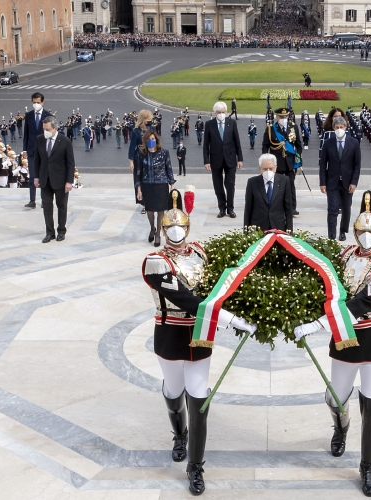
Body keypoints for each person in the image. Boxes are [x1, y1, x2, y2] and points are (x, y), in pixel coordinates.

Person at [142, 190, 255, 496]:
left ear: (189, 227)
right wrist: (231, 319)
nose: (175, 232)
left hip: (200, 334)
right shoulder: (155, 261)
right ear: (163, 230)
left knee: (199, 396)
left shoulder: (201, 254)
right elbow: (184, 298)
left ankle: (195, 466)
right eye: (170, 228)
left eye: (180, 227)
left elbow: (222, 286)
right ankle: (180, 434)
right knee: (174, 389)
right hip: (170, 332)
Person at [294, 191, 371, 498]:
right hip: (344, 338)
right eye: (361, 231)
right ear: (354, 232)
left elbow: (365, 302)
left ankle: (368, 467)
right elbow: (326, 291)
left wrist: (317, 325)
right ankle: (341, 427)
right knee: (336, 397)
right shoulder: (343, 258)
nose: (366, 237)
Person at [33, 117, 75, 243]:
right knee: (46, 206)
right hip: (45, 179)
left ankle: (61, 231)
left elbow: (70, 163)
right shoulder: (40, 139)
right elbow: (37, 160)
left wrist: (69, 181)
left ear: (55, 128)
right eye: (44, 129)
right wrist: (36, 177)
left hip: (60, 180)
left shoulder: (65, 141)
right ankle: (49, 232)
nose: (45, 131)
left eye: (48, 129)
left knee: (61, 206)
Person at [319, 116, 361, 241]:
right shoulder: (328, 143)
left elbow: (357, 165)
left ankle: (343, 231)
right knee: (332, 209)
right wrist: (322, 182)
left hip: (348, 182)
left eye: (341, 127)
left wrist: (354, 182)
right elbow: (322, 164)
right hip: (332, 182)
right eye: (336, 127)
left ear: (345, 128)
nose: (339, 129)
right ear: (333, 128)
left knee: (346, 208)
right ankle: (331, 235)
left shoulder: (354, 143)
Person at [203, 101, 243, 218]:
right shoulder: (209, 124)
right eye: (219, 112)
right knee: (218, 185)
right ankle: (222, 208)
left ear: (226, 112)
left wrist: (239, 159)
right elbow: (206, 144)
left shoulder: (232, 123)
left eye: (223, 112)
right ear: (215, 113)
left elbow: (237, 142)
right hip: (215, 159)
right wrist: (206, 161)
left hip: (230, 158)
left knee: (230, 184)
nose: (221, 114)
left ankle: (230, 208)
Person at [135, 130, 175, 246]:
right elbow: (138, 173)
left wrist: (172, 185)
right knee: (150, 211)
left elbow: (169, 168)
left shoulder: (164, 153)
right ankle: (152, 228)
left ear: (156, 140)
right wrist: (138, 189)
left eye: (153, 139)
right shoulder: (142, 154)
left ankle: (158, 234)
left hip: (161, 185)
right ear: (145, 141)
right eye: (149, 139)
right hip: (147, 185)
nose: (151, 141)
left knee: (160, 210)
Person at [262, 107, 302, 216]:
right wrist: (266, 160)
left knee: (290, 185)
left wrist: (298, 158)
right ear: (277, 117)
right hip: (276, 163)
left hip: (290, 162)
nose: (283, 118)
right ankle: (277, 207)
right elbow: (265, 146)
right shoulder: (270, 129)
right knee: (276, 186)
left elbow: (298, 145)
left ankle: (292, 208)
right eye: (281, 117)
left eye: (285, 116)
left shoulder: (293, 127)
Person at [243, 154, 293, 231]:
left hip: (278, 227)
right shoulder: (252, 182)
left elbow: (288, 208)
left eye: (271, 168)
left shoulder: (284, 181)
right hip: (258, 228)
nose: (268, 171)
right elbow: (248, 208)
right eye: (265, 169)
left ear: (276, 168)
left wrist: (289, 230)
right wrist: (246, 231)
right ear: (260, 169)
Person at [23, 93, 52, 209]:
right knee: (32, 176)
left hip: (44, 151)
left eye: (38, 102)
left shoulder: (48, 116)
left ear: (42, 102)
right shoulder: (29, 115)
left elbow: (50, 135)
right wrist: (24, 149)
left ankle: (45, 200)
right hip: (31, 150)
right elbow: (26, 134)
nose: (36, 104)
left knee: (44, 177)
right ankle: (32, 200)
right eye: (34, 102)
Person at [129, 109, 153, 214]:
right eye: (148, 119)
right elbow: (131, 147)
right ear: (143, 120)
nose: (150, 121)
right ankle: (143, 203)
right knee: (139, 180)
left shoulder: (152, 129)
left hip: (149, 156)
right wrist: (131, 161)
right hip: (138, 158)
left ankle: (150, 201)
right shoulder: (136, 131)